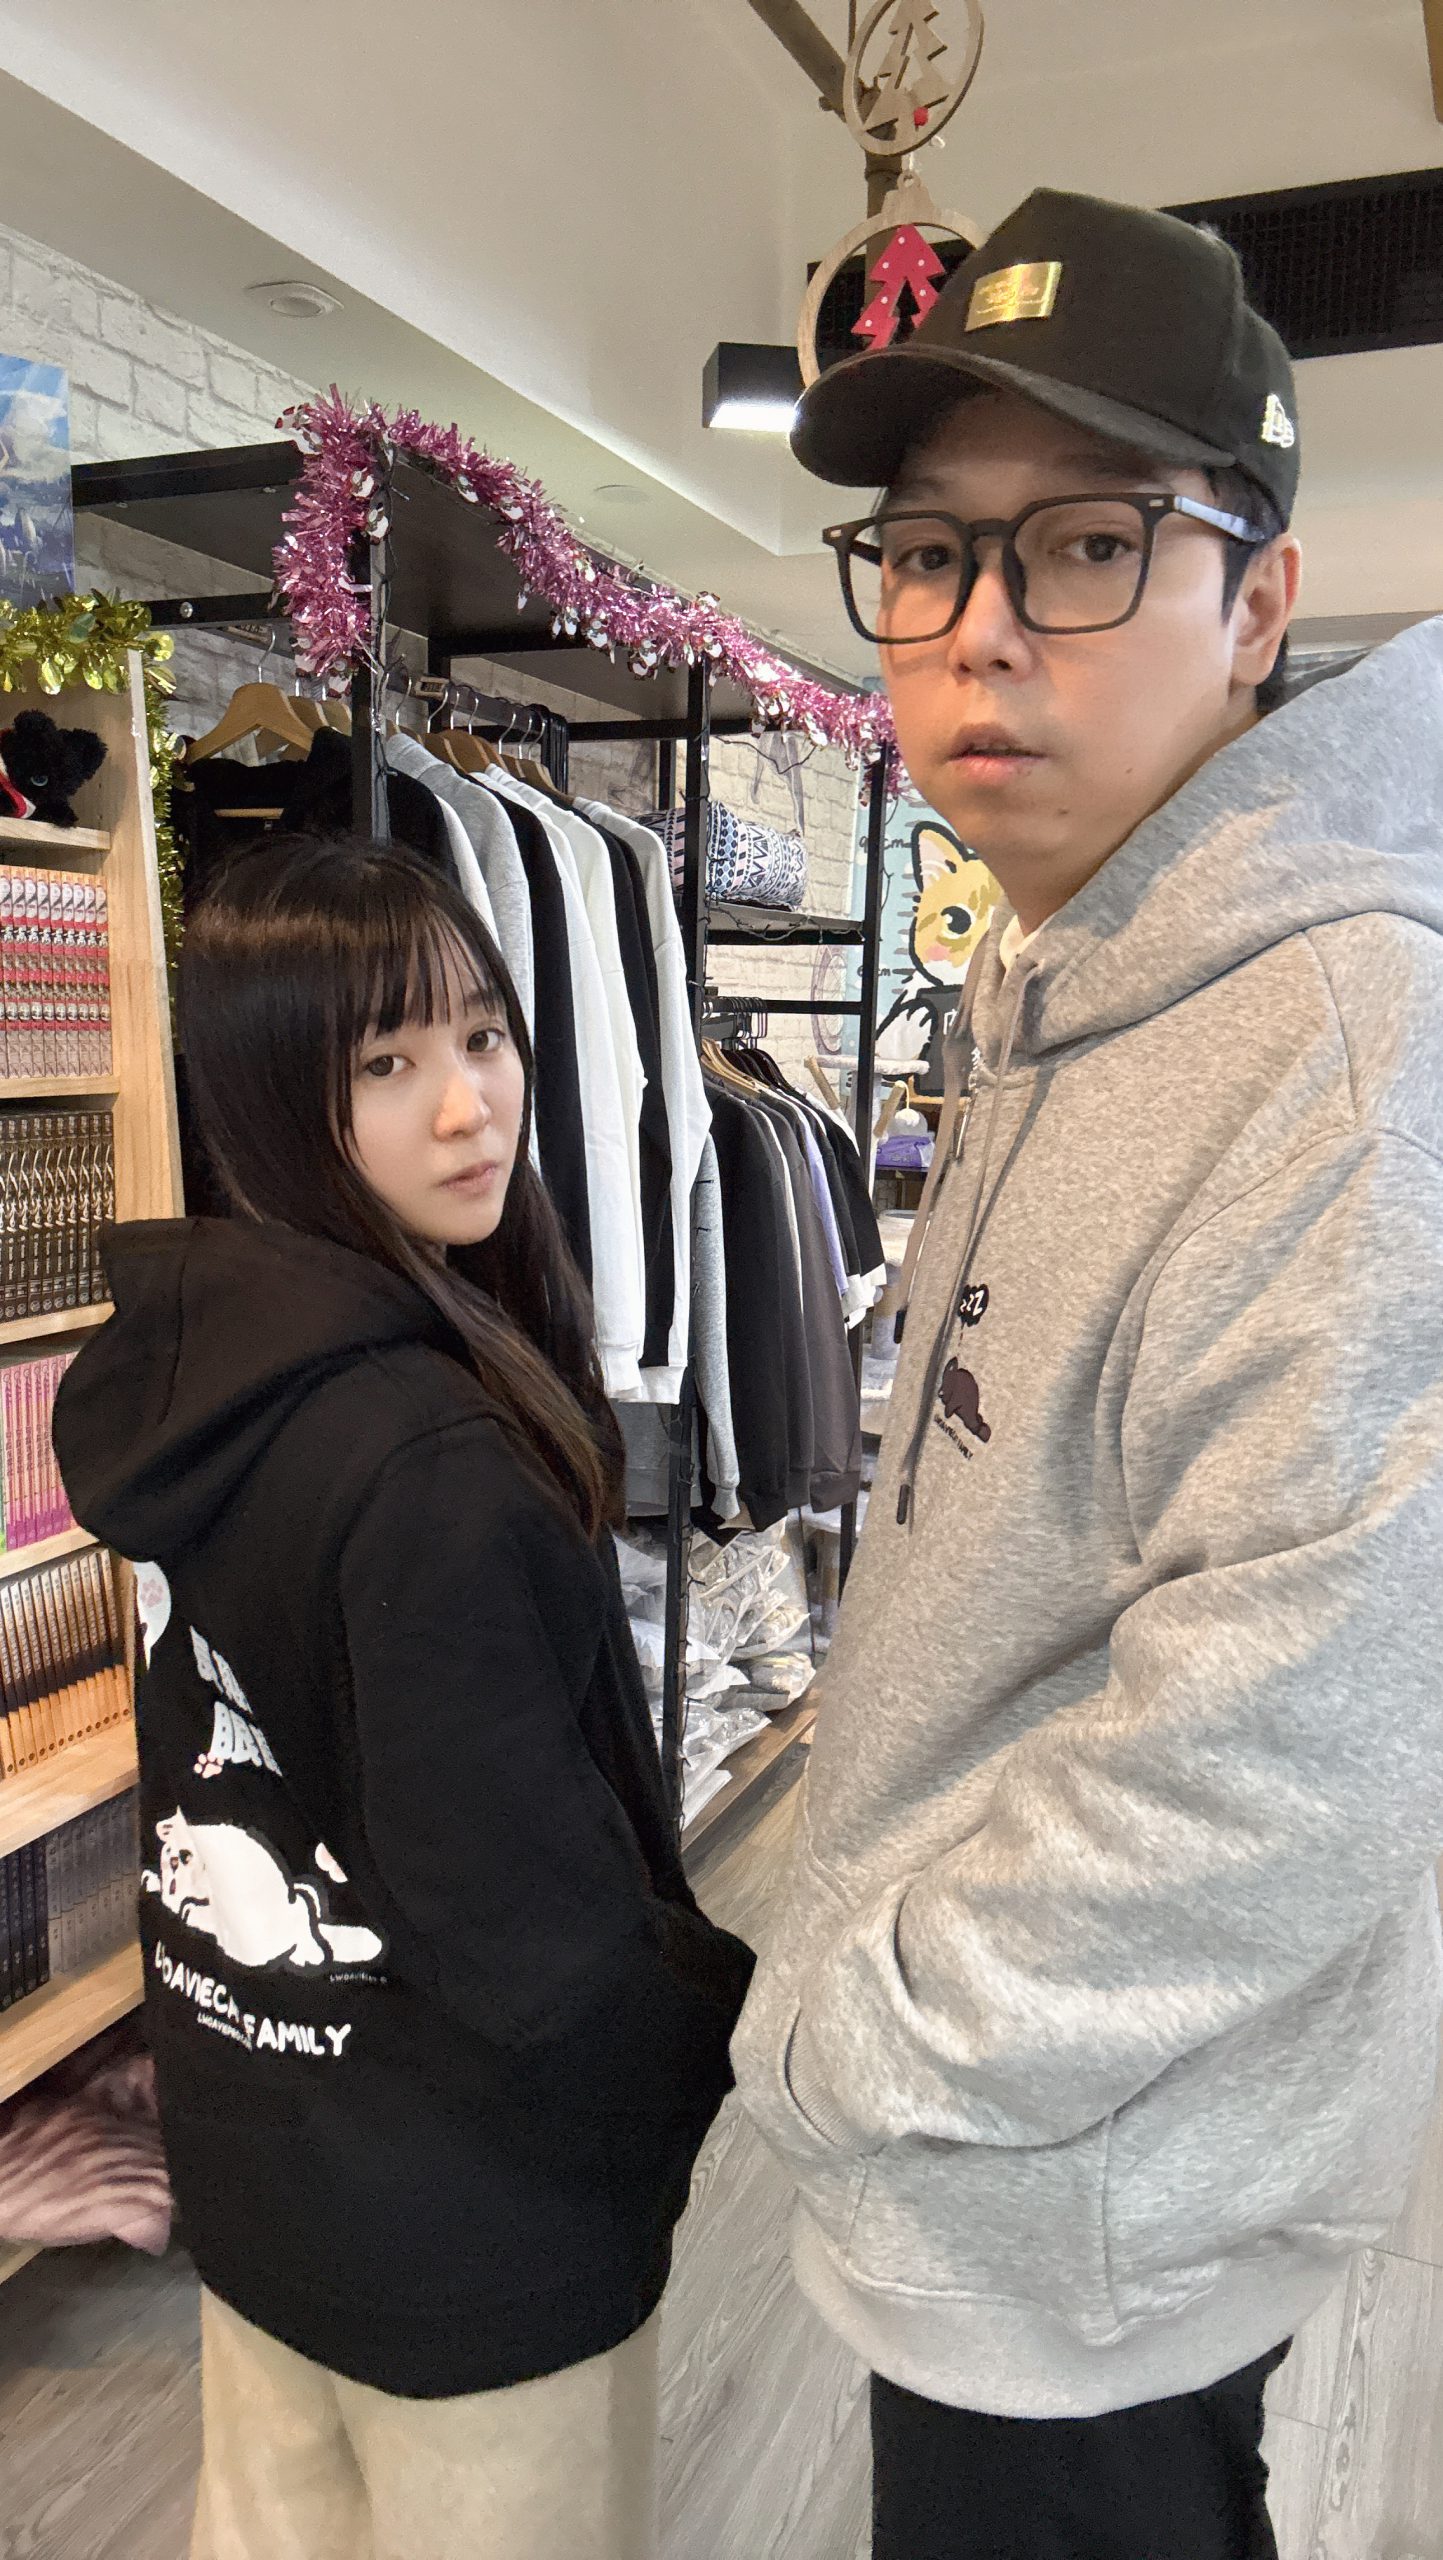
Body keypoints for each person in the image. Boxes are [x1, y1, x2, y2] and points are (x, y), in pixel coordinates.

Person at [733, 188, 1443, 2559]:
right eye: (929, 550)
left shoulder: (1333, 1039)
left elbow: (1301, 1743)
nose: (973, 629)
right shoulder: (1068, 965)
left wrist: (869, 2029)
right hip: (1025, 2169)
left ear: (1254, 599)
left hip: (1077, 2203)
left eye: (1081, 543)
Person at [54, 833, 753, 2560]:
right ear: (273, 1093)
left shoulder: (209, 1377)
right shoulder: (425, 1457)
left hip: (266, 2147)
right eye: (384, 1063)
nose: (468, 1108)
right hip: (471, 2224)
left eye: (484, 1036)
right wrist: (708, 2037)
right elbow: (531, 1932)